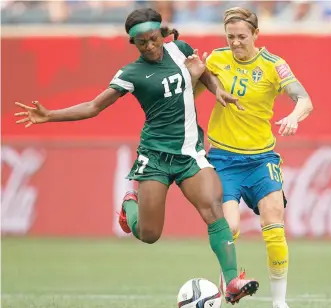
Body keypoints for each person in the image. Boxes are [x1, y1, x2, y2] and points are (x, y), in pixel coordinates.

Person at [14, 7, 260, 305]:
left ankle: (232, 282)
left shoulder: (179, 50)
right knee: (148, 233)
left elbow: (202, 72)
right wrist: (49, 115)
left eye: (154, 39)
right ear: (134, 44)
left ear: (160, 34)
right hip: (155, 158)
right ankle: (130, 206)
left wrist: (217, 90)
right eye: (142, 43)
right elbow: (94, 107)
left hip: (189, 154)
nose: (150, 46)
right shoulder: (131, 73)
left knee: (213, 206)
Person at [195, 7, 313, 308]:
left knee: (274, 221)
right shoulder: (217, 59)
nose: (235, 43)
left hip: (261, 160)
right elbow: (195, 94)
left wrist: (294, 117)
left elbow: (304, 100)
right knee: (230, 228)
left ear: (256, 35)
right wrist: (195, 74)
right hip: (223, 160)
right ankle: (230, 289)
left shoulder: (274, 65)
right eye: (230, 36)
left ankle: (279, 302)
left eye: (242, 37)